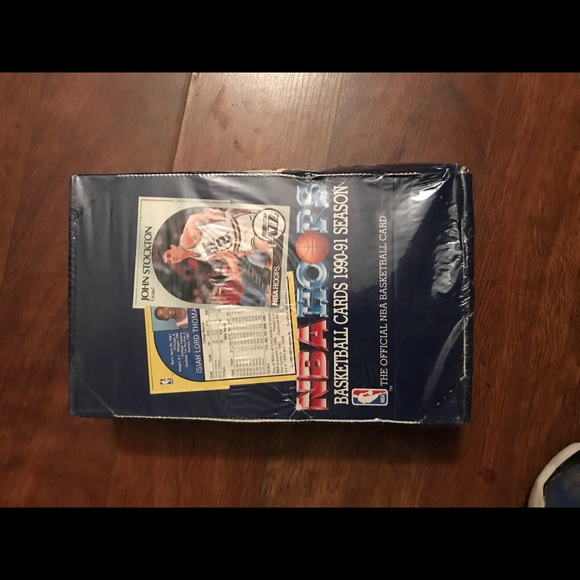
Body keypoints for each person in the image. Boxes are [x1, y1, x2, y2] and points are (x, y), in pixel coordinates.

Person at [161, 208, 276, 305]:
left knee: (276, 241)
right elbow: (228, 254)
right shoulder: (201, 257)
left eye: (169, 255)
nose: (172, 259)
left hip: (240, 227)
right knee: (276, 249)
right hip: (243, 243)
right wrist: (235, 274)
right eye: (169, 261)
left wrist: (210, 216)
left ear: (172, 247)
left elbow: (192, 218)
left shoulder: (185, 241)